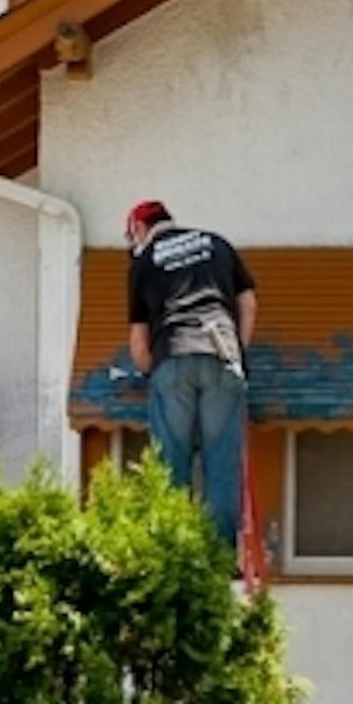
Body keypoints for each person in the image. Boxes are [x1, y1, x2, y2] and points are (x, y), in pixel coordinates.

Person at [126, 201, 257, 547]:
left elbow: (139, 342)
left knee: (171, 463)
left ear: (140, 228)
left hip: (172, 355)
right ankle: (219, 559)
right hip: (222, 353)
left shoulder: (144, 262)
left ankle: (173, 555)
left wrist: (154, 373)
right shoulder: (217, 243)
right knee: (222, 462)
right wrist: (237, 352)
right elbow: (248, 304)